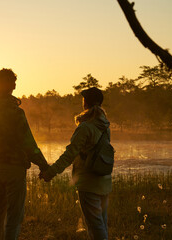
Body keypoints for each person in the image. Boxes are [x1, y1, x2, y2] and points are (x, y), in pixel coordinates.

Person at [0, 68, 49, 240]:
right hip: (14, 168)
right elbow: (28, 143)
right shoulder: (16, 112)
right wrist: (43, 165)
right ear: (13, 85)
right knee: (14, 215)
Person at [40, 87, 112, 240]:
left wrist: (50, 172)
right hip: (104, 181)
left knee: (95, 225)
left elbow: (69, 155)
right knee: (101, 223)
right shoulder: (105, 127)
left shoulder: (85, 127)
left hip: (88, 182)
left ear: (85, 103)